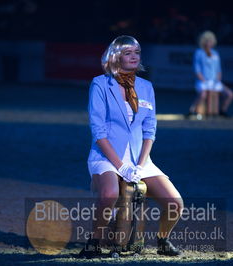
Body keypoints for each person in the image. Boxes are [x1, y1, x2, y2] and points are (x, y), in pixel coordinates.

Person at [78, 35, 184, 258]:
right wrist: (121, 166)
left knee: (175, 202)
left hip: (139, 158)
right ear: (115, 57)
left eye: (137, 52)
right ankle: (93, 242)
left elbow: (150, 129)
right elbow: (98, 131)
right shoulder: (100, 84)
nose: (134, 56)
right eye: (128, 53)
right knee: (109, 194)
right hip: (107, 156)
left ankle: (163, 240)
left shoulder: (146, 87)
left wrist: (141, 163)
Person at [188, 31, 233, 118]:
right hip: (203, 81)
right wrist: (203, 80)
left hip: (214, 81)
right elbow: (197, 69)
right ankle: (192, 110)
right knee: (202, 94)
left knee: (229, 94)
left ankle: (222, 110)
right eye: (208, 40)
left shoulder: (215, 53)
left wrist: (218, 79)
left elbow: (218, 69)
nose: (210, 42)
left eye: (211, 40)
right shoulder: (199, 53)